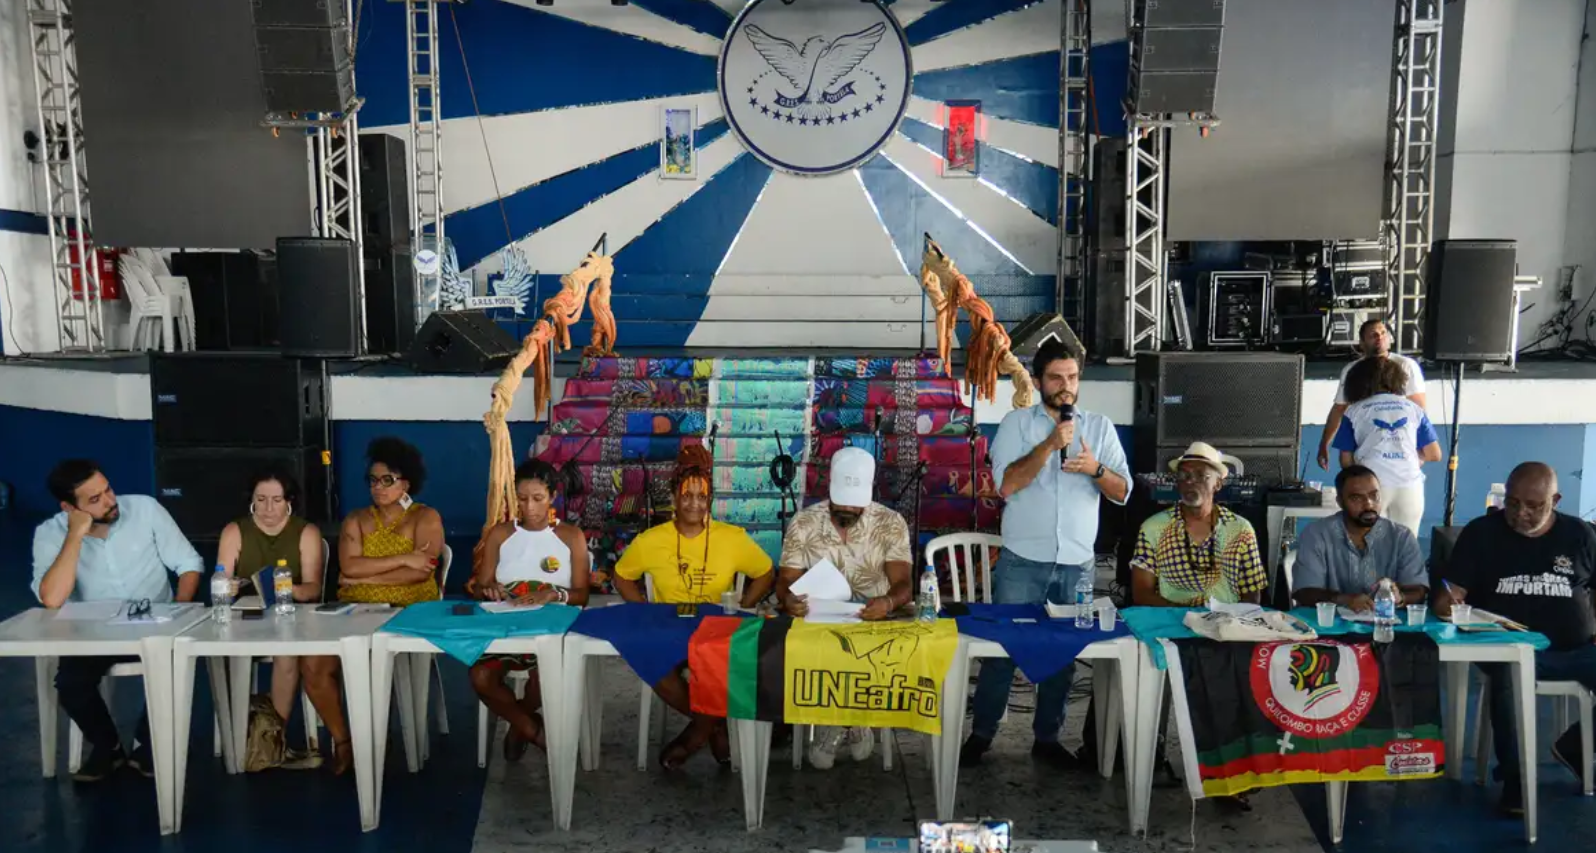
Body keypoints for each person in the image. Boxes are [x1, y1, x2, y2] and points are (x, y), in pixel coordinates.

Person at [960, 340, 1130, 768]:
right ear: (1037, 382)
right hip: (1022, 561)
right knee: (1003, 650)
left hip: (1076, 565)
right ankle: (981, 735)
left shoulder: (1100, 427)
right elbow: (1008, 485)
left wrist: (1096, 470)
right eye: (1056, 377)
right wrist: (1050, 445)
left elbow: (1123, 491)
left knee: (1062, 656)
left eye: (1072, 377)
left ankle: (1047, 738)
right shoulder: (1016, 424)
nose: (1066, 386)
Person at [1438, 462, 1596, 816]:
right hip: (1507, 648)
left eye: (1533, 506)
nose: (1520, 513)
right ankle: (1516, 780)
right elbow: (1451, 593)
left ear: (1555, 500)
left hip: (1575, 648)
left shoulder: (1580, 535)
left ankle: (1575, 746)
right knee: (1511, 676)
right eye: (1512, 503)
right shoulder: (1482, 533)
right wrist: (1449, 600)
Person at [31, 459, 204, 781]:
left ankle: (148, 741)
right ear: (70, 508)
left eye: (107, 489)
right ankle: (107, 747)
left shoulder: (145, 509)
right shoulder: (49, 533)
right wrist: (75, 536)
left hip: (157, 622)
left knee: (183, 664)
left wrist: (180, 610)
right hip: (92, 633)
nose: (110, 501)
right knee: (70, 684)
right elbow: (52, 598)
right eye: (94, 499)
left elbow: (188, 562)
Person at [615, 443, 775, 769]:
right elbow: (621, 577)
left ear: (710, 499)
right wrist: (644, 610)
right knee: (652, 661)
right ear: (674, 496)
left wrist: (743, 606)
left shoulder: (731, 538)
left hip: (716, 632)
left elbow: (765, 573)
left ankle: (692, 738)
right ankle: (713, 727)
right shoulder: (650, 541)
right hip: (669, 629)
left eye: (702, 497)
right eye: (686, 495)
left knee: (727, 663)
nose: (694, 504)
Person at [777, 445, 916, 769]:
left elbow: (904, 584)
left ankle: (840, 720)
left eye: (856, 502)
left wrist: (889, 601)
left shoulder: (890, 523)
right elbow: (785, 580)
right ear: (829, 489)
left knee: (862, 646)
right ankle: (852, 718)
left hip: (873, 621)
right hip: (817, 620)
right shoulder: (804, 523)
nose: (849, 509)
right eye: (842, 500)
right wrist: (788, 600)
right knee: (816, 646)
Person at [468, 460, 590, 762]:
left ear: (552, 497)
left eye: (538, 498)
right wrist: (490, 589)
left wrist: (554, 594)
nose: (529, 507)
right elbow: (479, 586)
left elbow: (581, 595)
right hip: (505, 629)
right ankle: (531, 727)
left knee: (543, 679)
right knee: (480, 677)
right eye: (522, 499)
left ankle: (518, 727)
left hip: (552, 631)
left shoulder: (571, 537)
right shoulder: (501, 534)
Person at [215, 465, 337, 767]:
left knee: (288, 654)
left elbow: (312, 589)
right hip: (246, 617)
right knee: (223, 652)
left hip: (290, 616)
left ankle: (274, 740)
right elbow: (221, 580)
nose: (269, 508)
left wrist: (284, 588)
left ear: (289, 501)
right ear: (252, 500)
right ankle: (240, 737)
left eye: (277, 500)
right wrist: (228, 587)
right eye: (262, 499)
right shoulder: (234, 531)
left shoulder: (306, 532)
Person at [1131, 442, 1268, 607]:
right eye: (1183, 475)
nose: (1190, 481)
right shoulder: (1153, 528)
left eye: (1201, 475)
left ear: (1217, 484)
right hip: (1173, 622)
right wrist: (1188, 617)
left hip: (1226, 625)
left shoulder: (1241, 529)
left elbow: (1252, 597)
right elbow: (1141, 594)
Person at [1330, 356, 1441, 536]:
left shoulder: (1354, 411)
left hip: (1371, 486)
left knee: (1370, 547)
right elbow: (1434, 454)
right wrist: (1411, 459)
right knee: (1406, 547)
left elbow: (1345, 460)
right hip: (1409, 486)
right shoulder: (1413, 409)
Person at [1290, 465, 1427, 610]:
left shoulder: (1401, 537)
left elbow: (1419, 590)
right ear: (1340, 502)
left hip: (1387, 626)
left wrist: (1400, 597)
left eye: (1374, 495)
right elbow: (1304, 592)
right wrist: (1344, 600)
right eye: (1356, 498)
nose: (1368, 503)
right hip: (1329, 628)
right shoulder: (1317, 534)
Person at [338, 437, 444, 605]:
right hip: (357, 607)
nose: (378, 487)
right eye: (373, 480)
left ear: (405, 485)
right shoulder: (355, 519)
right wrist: (404, 559)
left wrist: (361, 581)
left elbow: (421, 572)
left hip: (411, 609)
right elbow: (350, 568)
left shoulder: (425, 517)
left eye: (387, 480)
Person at [1317, 318, 1427, 470]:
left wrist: (1421, 449)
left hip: (1399, 446)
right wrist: (1324, 444)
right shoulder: (1352, 370)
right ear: (1362, 343)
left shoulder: (1406, 365)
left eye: (1383, 333)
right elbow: (1339, 409)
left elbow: (1419, 409)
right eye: (1373, 335)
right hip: (1364, 444)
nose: (1379, 337)